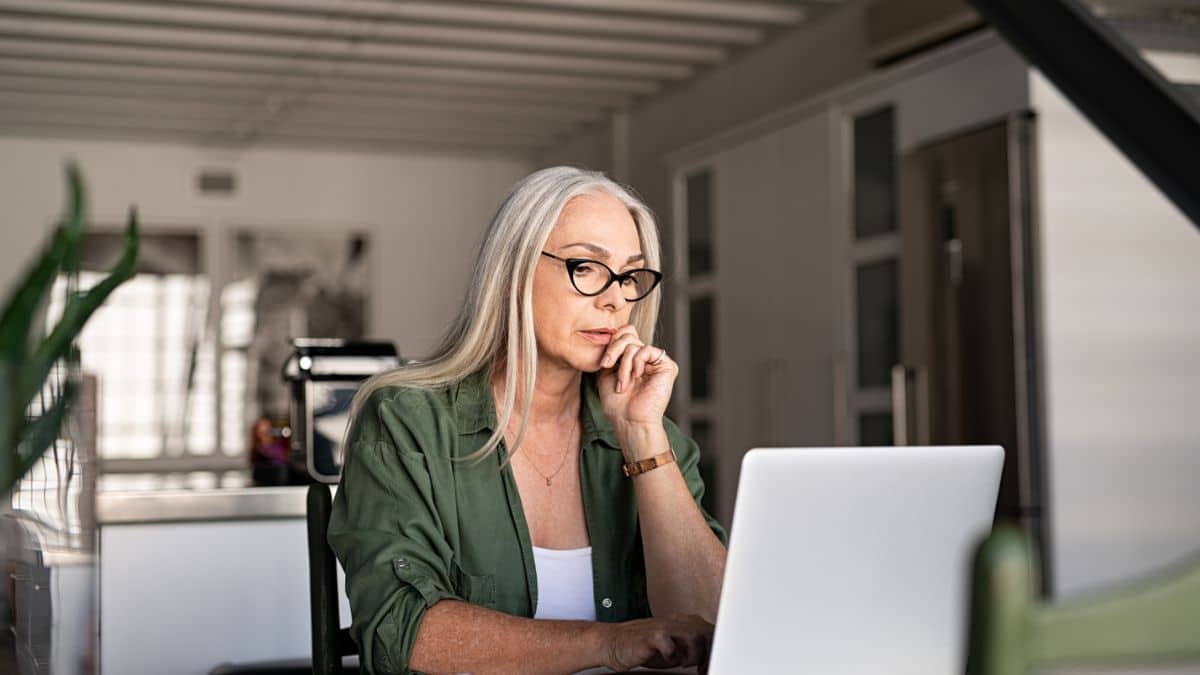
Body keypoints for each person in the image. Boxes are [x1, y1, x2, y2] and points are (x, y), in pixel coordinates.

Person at [328, 166, 727, 674]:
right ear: (513, 270)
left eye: (630, 276)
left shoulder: (650, 435)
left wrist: (642, 437)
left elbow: (719, 627)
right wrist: (608, 644)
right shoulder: (408, 421)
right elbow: (401, 633)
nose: (616, 299)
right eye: (586, 267)